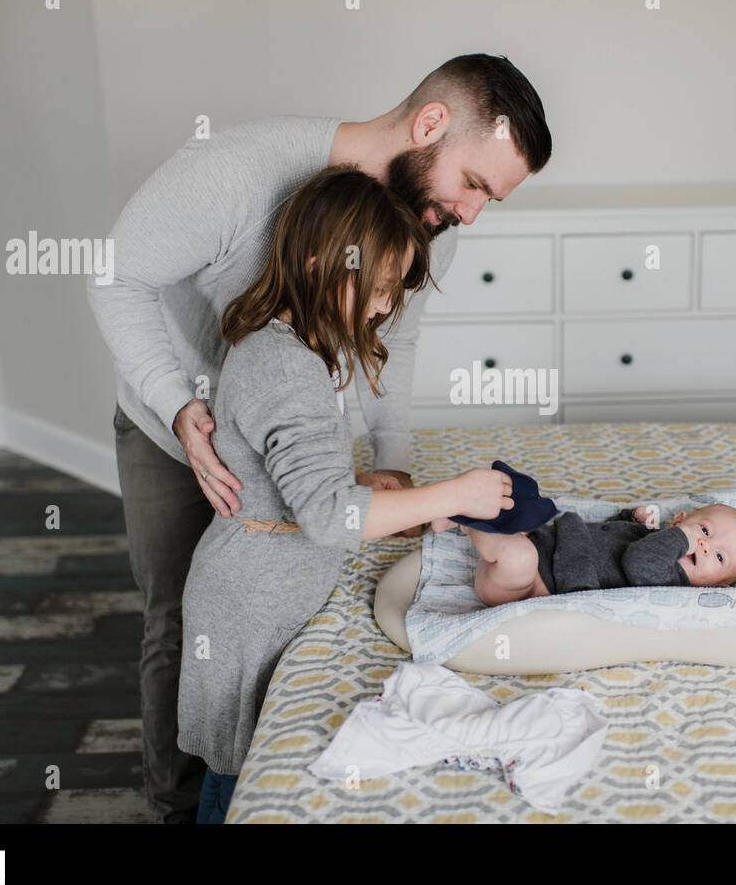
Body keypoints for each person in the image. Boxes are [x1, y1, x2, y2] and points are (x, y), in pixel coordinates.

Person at [87, 53, 552, 822]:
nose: (472, 213)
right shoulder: (238, 171)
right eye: (475, 183)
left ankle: (244, 772)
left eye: (490, 200)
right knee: (181, 617)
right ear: (430, 125)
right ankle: (176, 804)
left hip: (287, 441)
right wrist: (178, 407)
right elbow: (113, 275)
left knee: (260, 610)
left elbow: (393, 342)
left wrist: (391, 466)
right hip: (174, 414)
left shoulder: (422, 220)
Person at [178, 166, 515, 823]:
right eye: (383, 287)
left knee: (241, 765)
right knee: (240, 780)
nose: (388, 307)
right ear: (322, 263)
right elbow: (329, 516)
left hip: (265, 585)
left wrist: (364, 482)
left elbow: (291, 477)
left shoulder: (294, 345)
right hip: (249, 605)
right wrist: (455, 491)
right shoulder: (285, 368)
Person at [433, 503, 736, 606]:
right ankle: (479, 510)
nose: (703, 546)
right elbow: (606, 539)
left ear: (716, 587)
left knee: (518, 558)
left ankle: (470, 522)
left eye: (719, 558)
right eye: (704, 531)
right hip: (545, 540)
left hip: (525, 585)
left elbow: (637, 562)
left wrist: (684, 536)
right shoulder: (656, 538)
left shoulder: (670, 581)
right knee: (524, 504)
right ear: (678, 519)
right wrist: (629, 518)